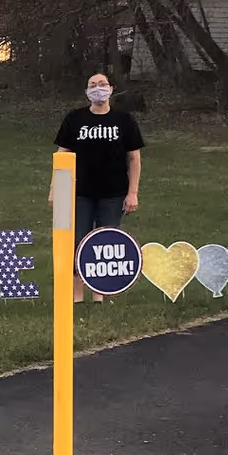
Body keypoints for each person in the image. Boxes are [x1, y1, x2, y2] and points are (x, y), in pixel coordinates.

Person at [53, 71, 144, 303]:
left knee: (105, 244)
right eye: (92, 84)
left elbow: (134, 158)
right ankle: (76, 295)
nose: (97, 88)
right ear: (86, 91)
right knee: (78, 242)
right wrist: (55, 187)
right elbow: (62, 153)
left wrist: (132, 193)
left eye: (102, 84)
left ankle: (99, 296)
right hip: (79, 192)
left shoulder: (124, 120)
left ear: (111, 89)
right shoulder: (74, 119)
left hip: (113, 194)